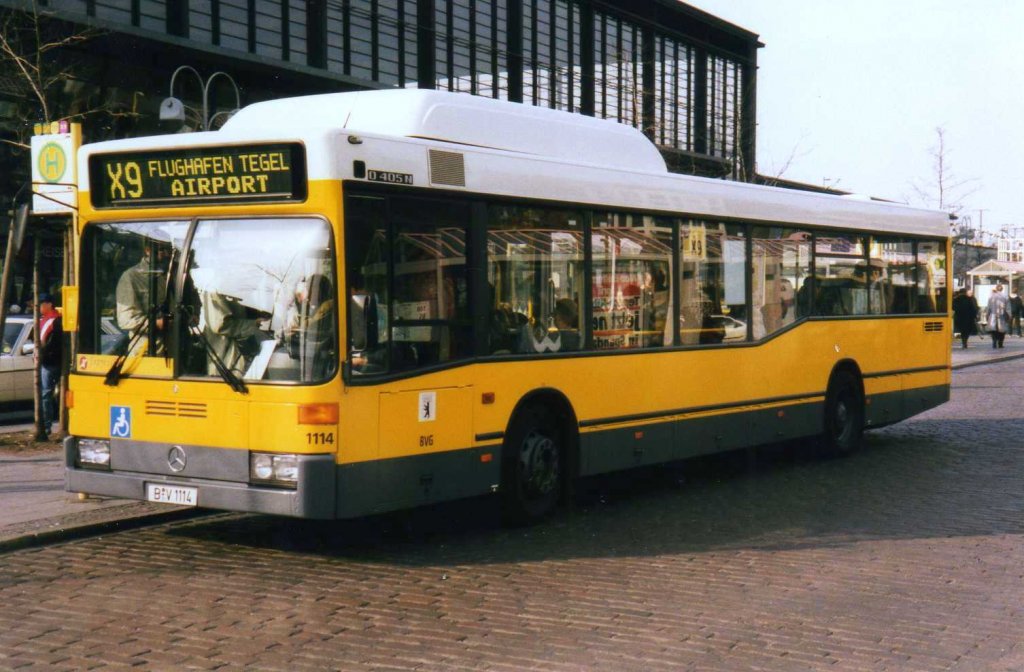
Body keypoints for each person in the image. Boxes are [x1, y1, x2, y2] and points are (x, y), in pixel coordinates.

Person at [116, 240, 169, 355]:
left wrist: (193, 314)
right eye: (162, 250)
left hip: (178, 349)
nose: (167, 254)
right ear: (148, 250)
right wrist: (157, 323)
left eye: (169, 249)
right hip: (147, 350)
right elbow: (125, 319)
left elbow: (194, 301)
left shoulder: (177, 274)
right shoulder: (131, 276)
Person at [37, 293, 62, 433]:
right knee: (47, 394)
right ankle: (47, 425)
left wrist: (43, 354)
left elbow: (54, 344)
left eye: (41, 304)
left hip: (51, 362)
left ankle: (48, 425)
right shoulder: (43, 320)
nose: (39, 307)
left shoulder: (55, 321)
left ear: (49, 304)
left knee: (47, 394)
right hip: (46, 361)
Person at [986, 283, 1010, 349]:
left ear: (996, 288)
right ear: (1002, 289)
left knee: (993, 330)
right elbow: (1008, 308)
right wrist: (1009, 316)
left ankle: (994, 342)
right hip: (1002, 315)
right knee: (1002, 330)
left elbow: (988, 307)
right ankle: (1000, 343)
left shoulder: (991, 296)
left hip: (993, 315)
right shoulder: (1005, 296)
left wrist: (987, 315)